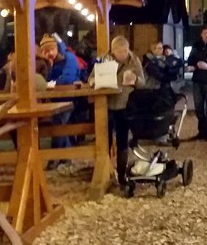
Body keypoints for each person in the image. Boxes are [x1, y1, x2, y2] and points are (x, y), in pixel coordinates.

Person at [89, 36, 145, 190]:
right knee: (104, 140)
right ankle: (104, 171)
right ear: (113, 51)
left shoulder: (134, 61)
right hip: (106, 106)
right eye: (119, 51)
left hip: (125, 105)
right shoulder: (103, 61)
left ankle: (121, 174)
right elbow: (91, 78)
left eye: (125, 51)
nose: (123, 54)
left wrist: (135, 80)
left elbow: (143, 82)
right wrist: (94, 82)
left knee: (122, 140)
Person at [40, 34, 81, 171]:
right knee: (61, 124)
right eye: (46, 51)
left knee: (59, 125)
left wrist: (53, 83)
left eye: (51, 49)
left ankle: (54, 157)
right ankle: (66, 156)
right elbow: (42, 79)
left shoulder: (68, 57)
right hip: (56, 99)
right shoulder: (47, 62)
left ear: (56, 48)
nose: (49, 53)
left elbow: (68, 77)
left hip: (72, 97)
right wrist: (48, 67)